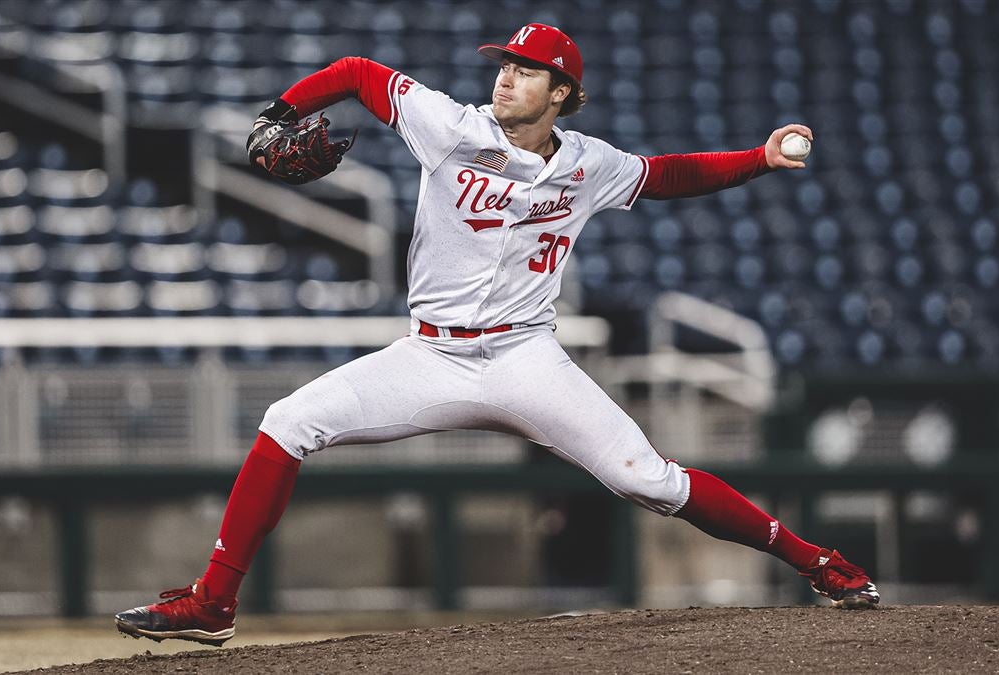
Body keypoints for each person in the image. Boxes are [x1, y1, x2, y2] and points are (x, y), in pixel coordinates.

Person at [115, 23, 879, 646]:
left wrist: (761, 158)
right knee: (289, 420)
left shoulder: (588, 163)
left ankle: (817, 561)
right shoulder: (448, 126)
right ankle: (214, 602)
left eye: (526, 69)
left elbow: (669, 174)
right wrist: (280, 112)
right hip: (431, 354)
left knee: (648, 479)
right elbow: (354, 69)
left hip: (525, 356)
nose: (506, 76)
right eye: (504, 64)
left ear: (563, 93)